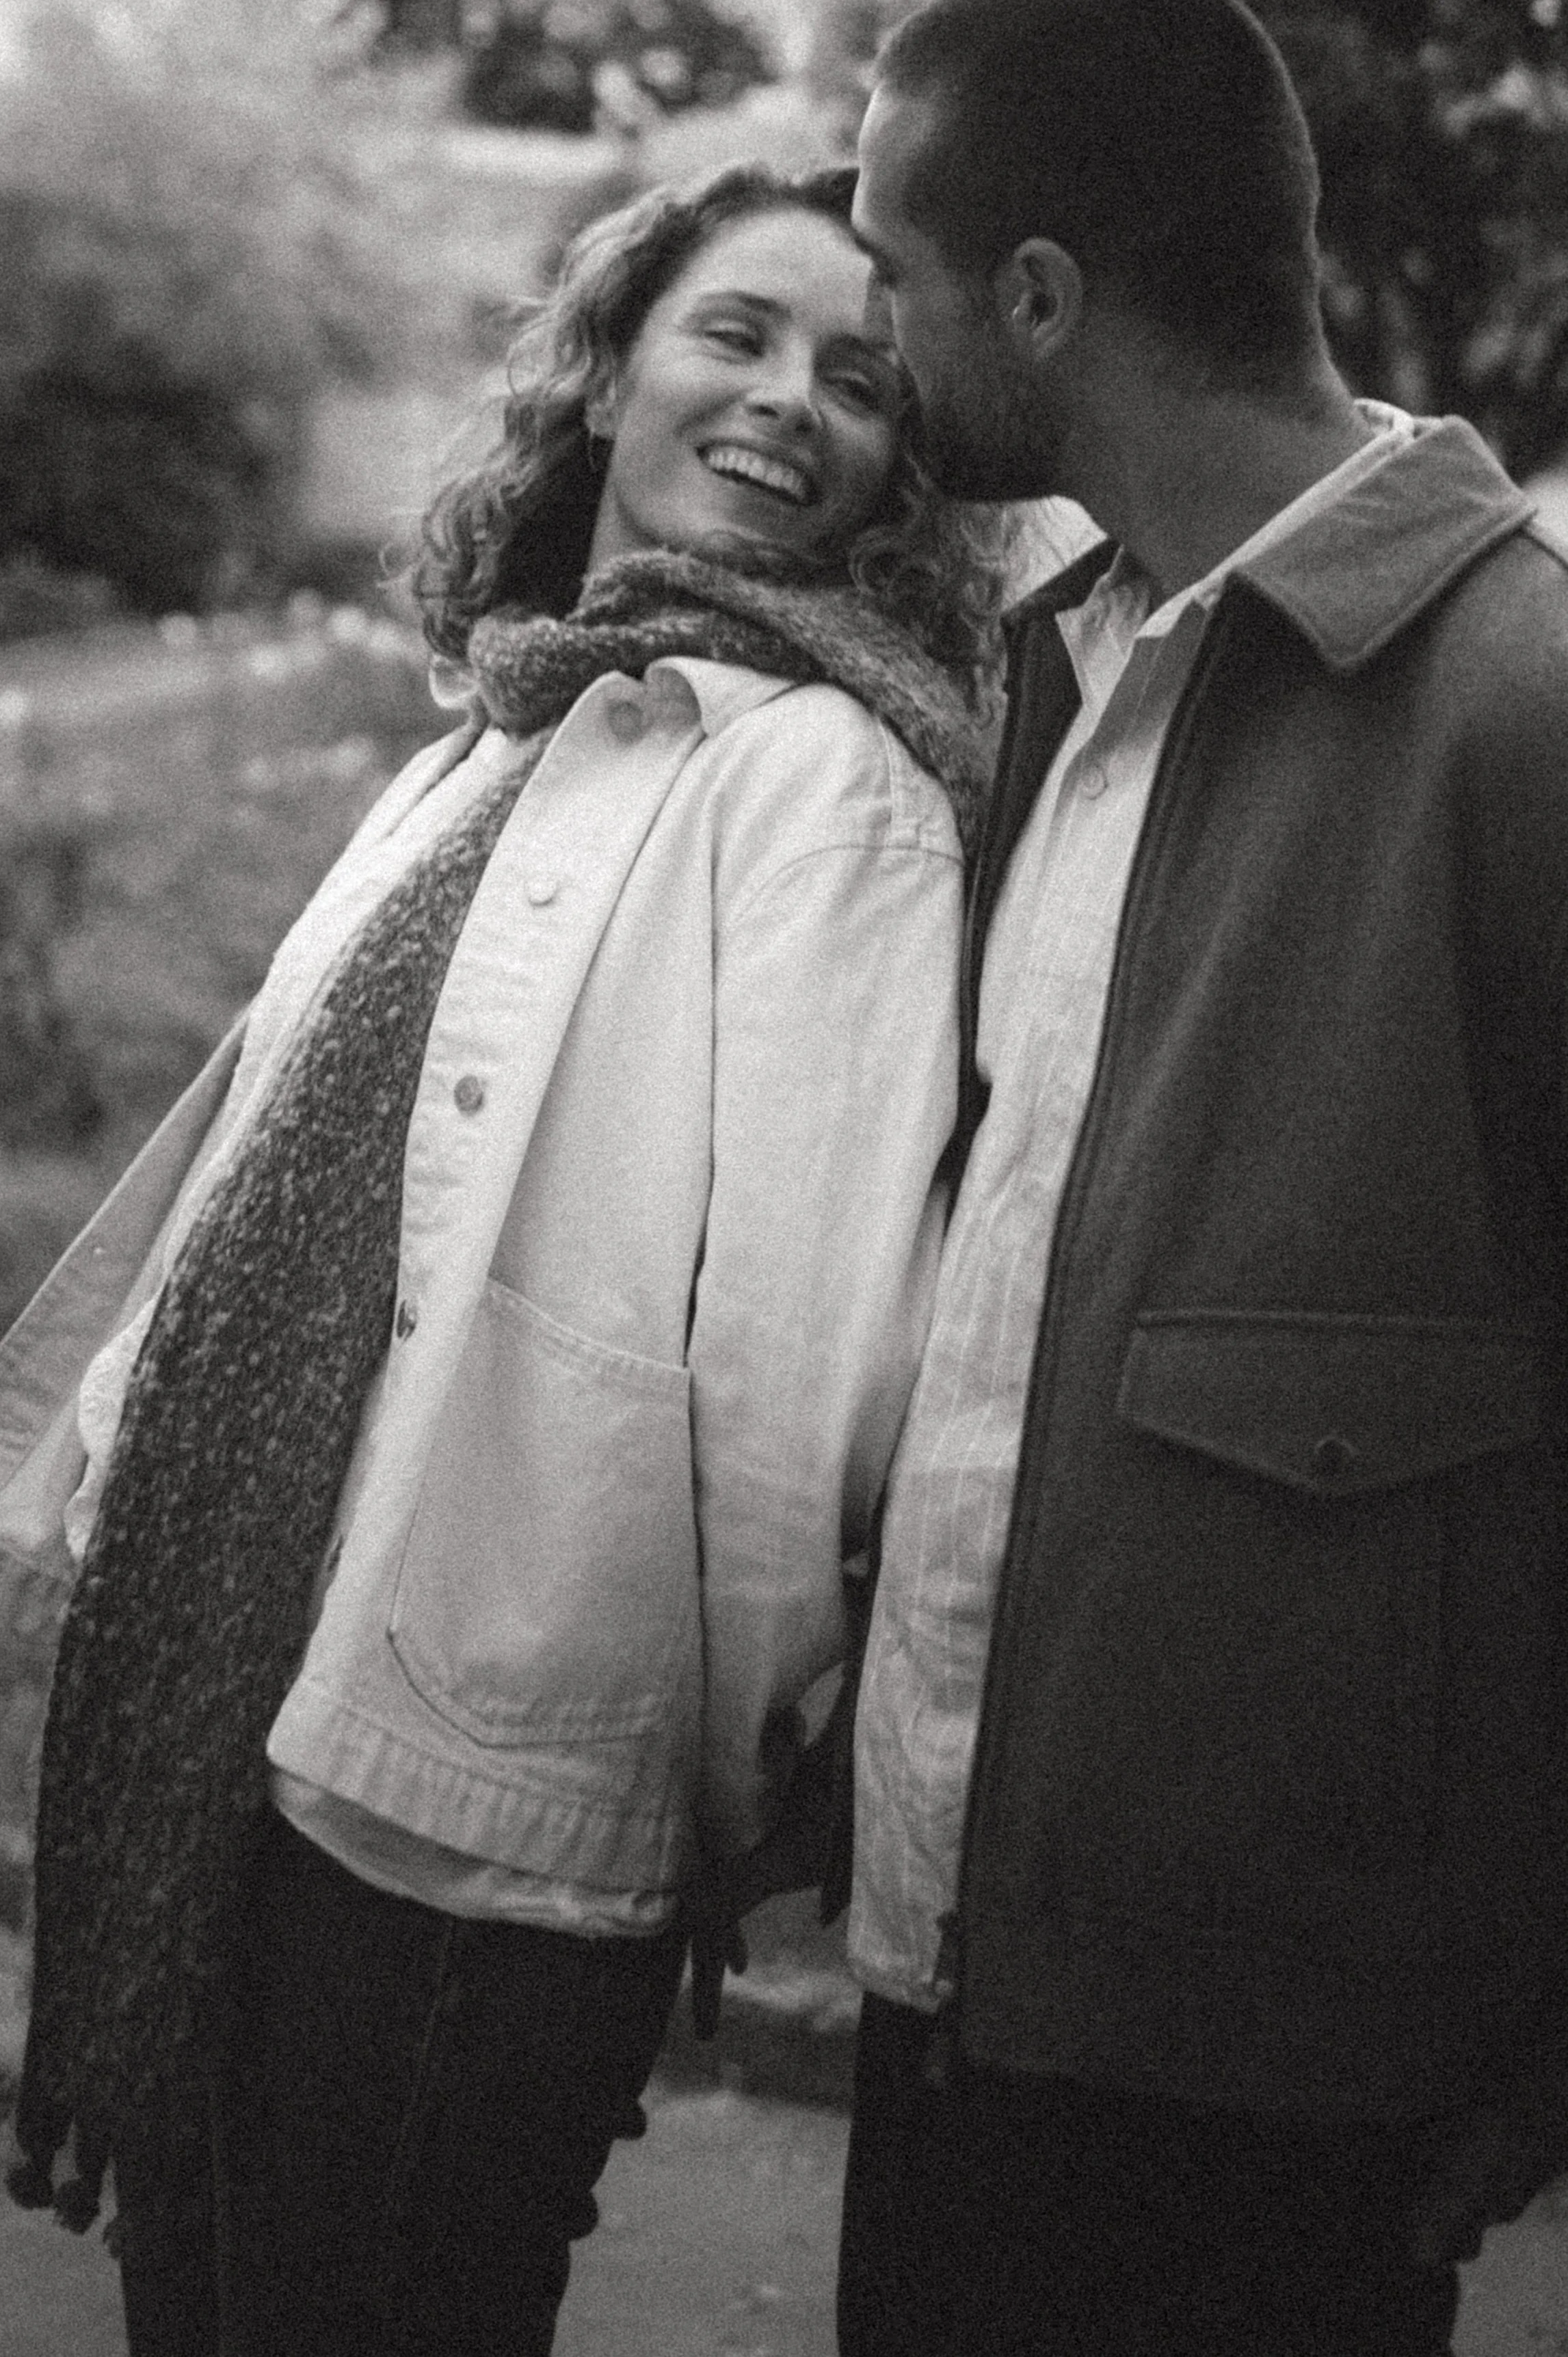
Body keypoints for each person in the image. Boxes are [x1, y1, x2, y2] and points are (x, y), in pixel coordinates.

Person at [0, 161, 1006, 2354]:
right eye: (733, 332)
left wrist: (690, 1766)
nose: (787, 401)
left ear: (901, 470)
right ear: (614, 364)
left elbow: (798, 1369)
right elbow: (267, 1156)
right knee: (214, 2296)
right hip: (260, 1695)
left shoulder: (825, 782)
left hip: (478, 1760)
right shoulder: (512, 723)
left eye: (860, 377)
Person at [829, 1, 1568, 2350]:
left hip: (1273, 2100)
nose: (867, 333)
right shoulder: (1063, 673)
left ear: (1036, 297)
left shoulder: (1525, 706)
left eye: (886, 267)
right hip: (951, 1998)